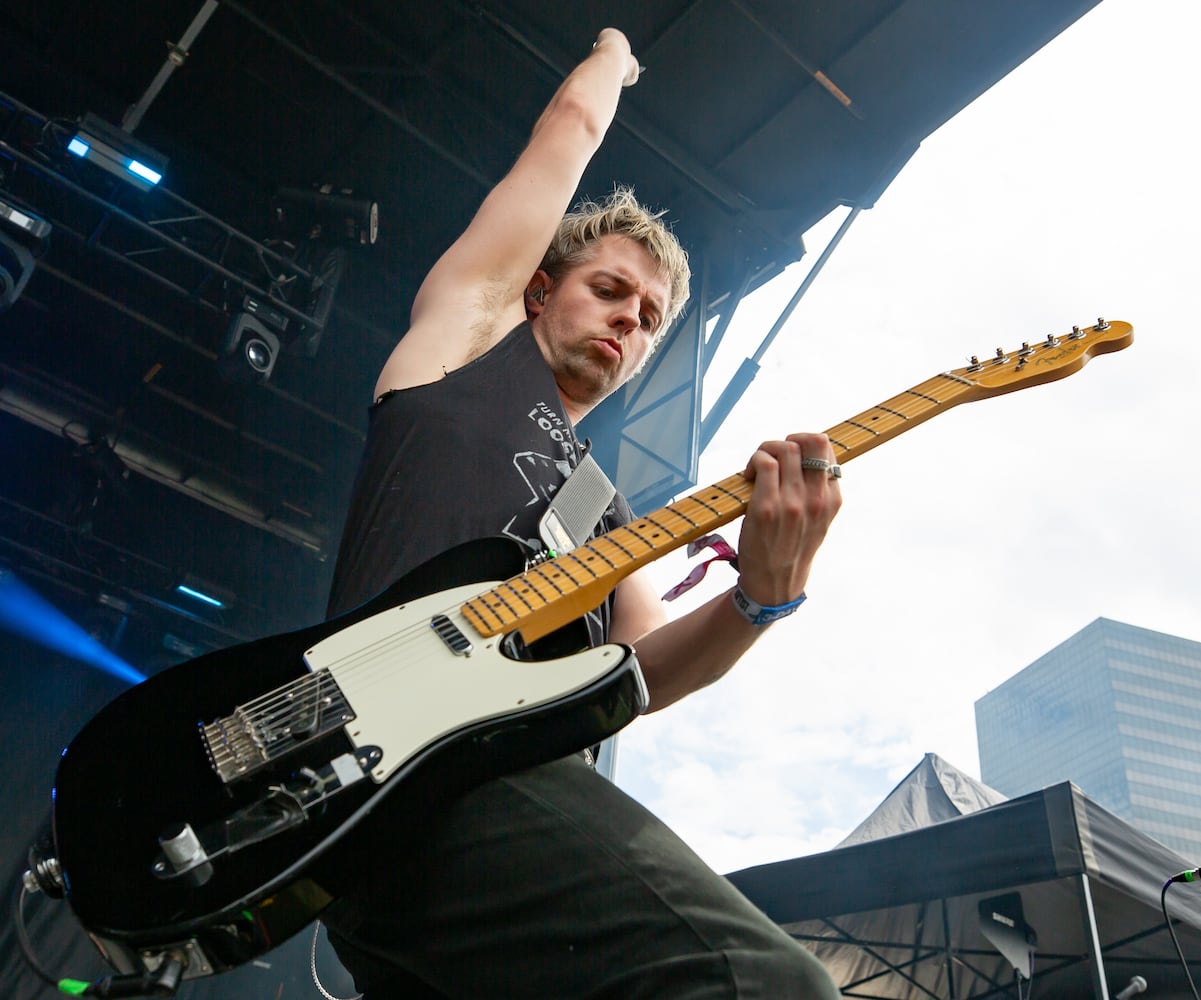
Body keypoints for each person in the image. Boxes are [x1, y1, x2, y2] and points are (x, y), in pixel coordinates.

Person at [318, 26, 843, 1000]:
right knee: (764, 983)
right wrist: (614, 53)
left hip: (447, 841)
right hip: (413, 779)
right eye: (609, 290)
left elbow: (639, 668)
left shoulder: (608, 514)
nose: (627, 320)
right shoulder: (466, 345)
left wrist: (762, 600)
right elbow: (566, 129)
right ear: (539, 288)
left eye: (648, 318)